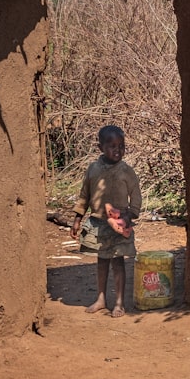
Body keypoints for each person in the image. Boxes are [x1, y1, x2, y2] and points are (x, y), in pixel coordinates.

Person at [70, 125, 142, 317]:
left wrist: (129, 215)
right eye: (112, 146)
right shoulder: (93, 169)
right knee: (101, 262)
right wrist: (78, 218)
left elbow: (136, 196)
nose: (117, 150)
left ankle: (119, 302)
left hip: (120, 224)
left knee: (118, 263)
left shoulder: (127, 171)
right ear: (100, 147)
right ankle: (101, 299)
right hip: (98, 223)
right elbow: (85, 195)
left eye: (121, 145)